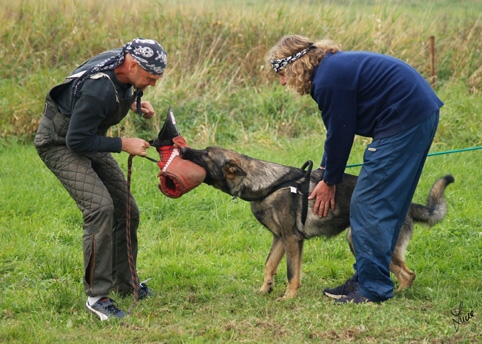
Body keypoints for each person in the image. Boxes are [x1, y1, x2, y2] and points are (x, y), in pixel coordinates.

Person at [267, 35, 443, 304]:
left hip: (406, 119)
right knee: (381, 201)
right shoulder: (329, 71)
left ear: (295, 65)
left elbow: (341, 133)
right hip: (414, 114)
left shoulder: (328, 80)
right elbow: (336, 130)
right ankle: (367, 276)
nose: (281, 82)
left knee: (368, 202)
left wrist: (330, 180)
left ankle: (373, 289)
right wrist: (327, 171)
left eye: (281, 74)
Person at [34, 38, 167, 320]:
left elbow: (115, 92)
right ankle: (98, 297)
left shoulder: (119, 64)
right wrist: (122, 144)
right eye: (150, 78)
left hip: (88, 137)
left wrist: (132, 103)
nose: (153, 84)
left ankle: (125, 284)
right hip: (60, 143)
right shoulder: (99, 88)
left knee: (127, 210)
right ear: (133, 64)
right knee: (100, 208)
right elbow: (76, 139)